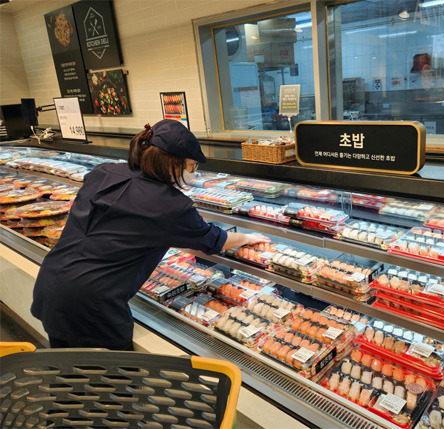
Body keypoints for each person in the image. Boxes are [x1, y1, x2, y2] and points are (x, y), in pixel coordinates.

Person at [31, 119, 269, 350]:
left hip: (51, 281)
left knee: (66, 373)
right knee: (107, 381)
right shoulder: (169, 205)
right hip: (91, 306)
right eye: (191, 166)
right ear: (172, 163)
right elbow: (215, 240)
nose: (193, 174)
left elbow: (125, 227)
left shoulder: (105, 172)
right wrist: (248, 238)